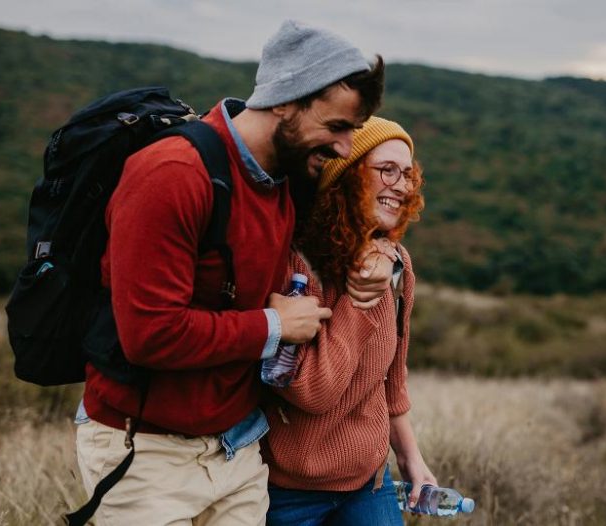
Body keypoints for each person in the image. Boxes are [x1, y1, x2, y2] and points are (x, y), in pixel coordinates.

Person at [73, 20, 391, 525]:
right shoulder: (173, 175)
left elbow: (357, 219)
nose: (344, 148)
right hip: (145, 454)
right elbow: (150, 335)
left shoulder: (285, 177)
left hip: (239, 450)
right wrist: (274, 326)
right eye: (336, 127)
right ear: (284, 100)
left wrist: (376, 257)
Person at [260, 117, 437, 525]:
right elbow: (313, 392)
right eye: (386, 170)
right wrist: (360, 302)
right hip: (288, 492)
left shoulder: (396, 264)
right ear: (347, 176)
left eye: (408, 174)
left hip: (369, 485)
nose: (402, 185)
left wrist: (412, 461)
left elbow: (392, 380)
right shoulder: (295, 266)